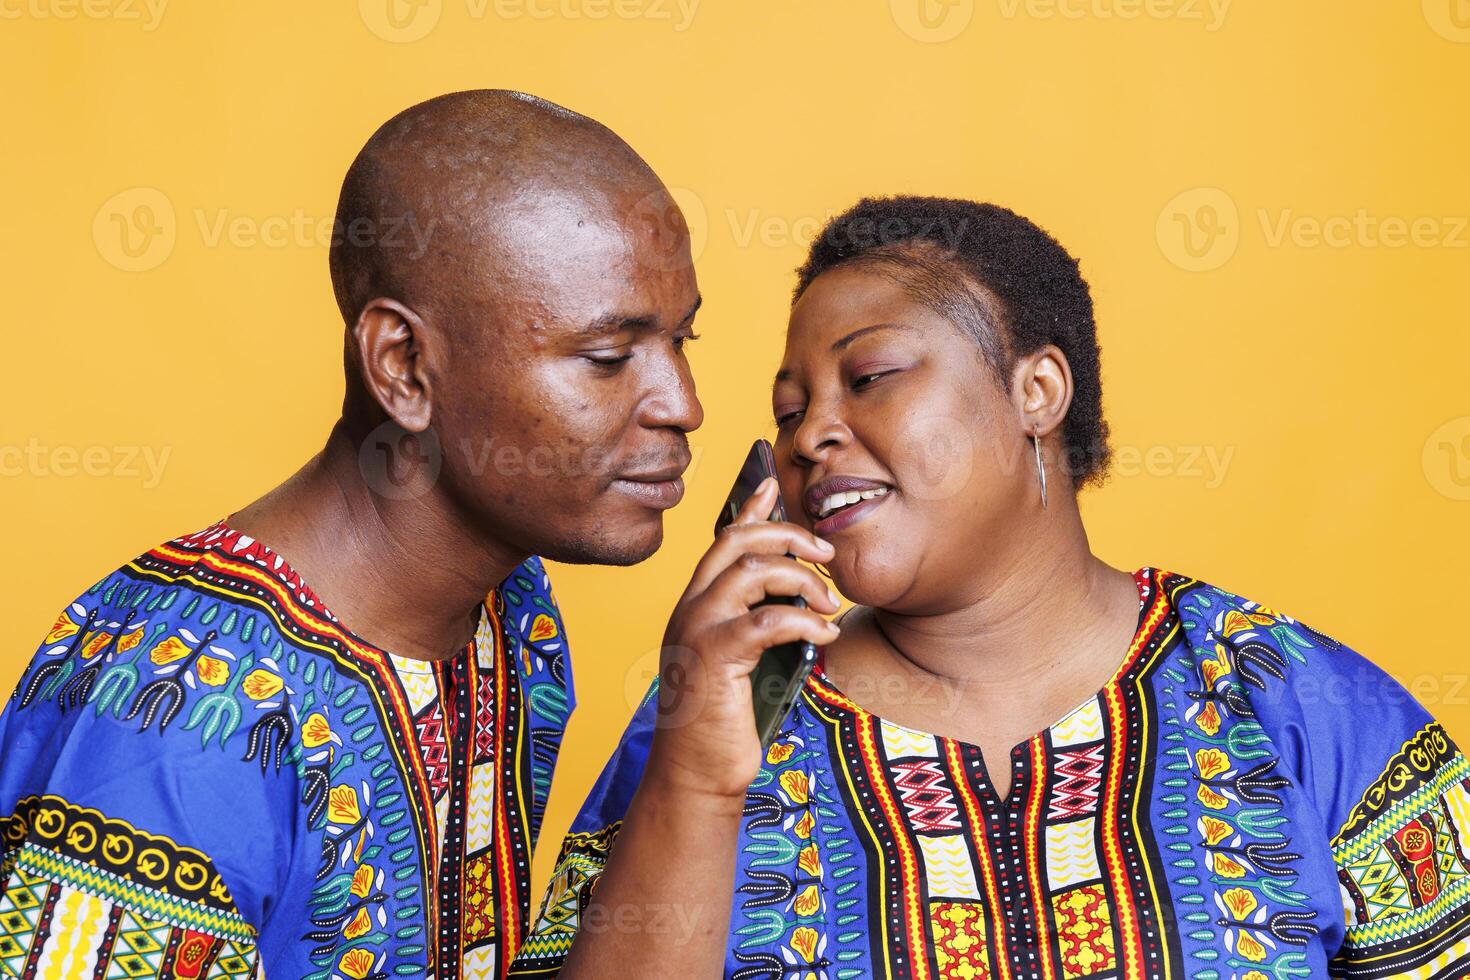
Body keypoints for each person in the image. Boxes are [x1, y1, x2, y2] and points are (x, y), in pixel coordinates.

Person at [512, 196, 1470, 979]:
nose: (811, 436)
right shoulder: (715, 718)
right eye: (791, 410)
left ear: (1036, 392)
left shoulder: (1283, 695)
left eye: (871, 377)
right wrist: (698, 780)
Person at [0, 89, 706, 978]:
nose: (684, 404)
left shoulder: (510, 618)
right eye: (609, 358)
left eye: (684, 339)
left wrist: (710, 715)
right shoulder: (175, 725)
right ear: (404, 367)